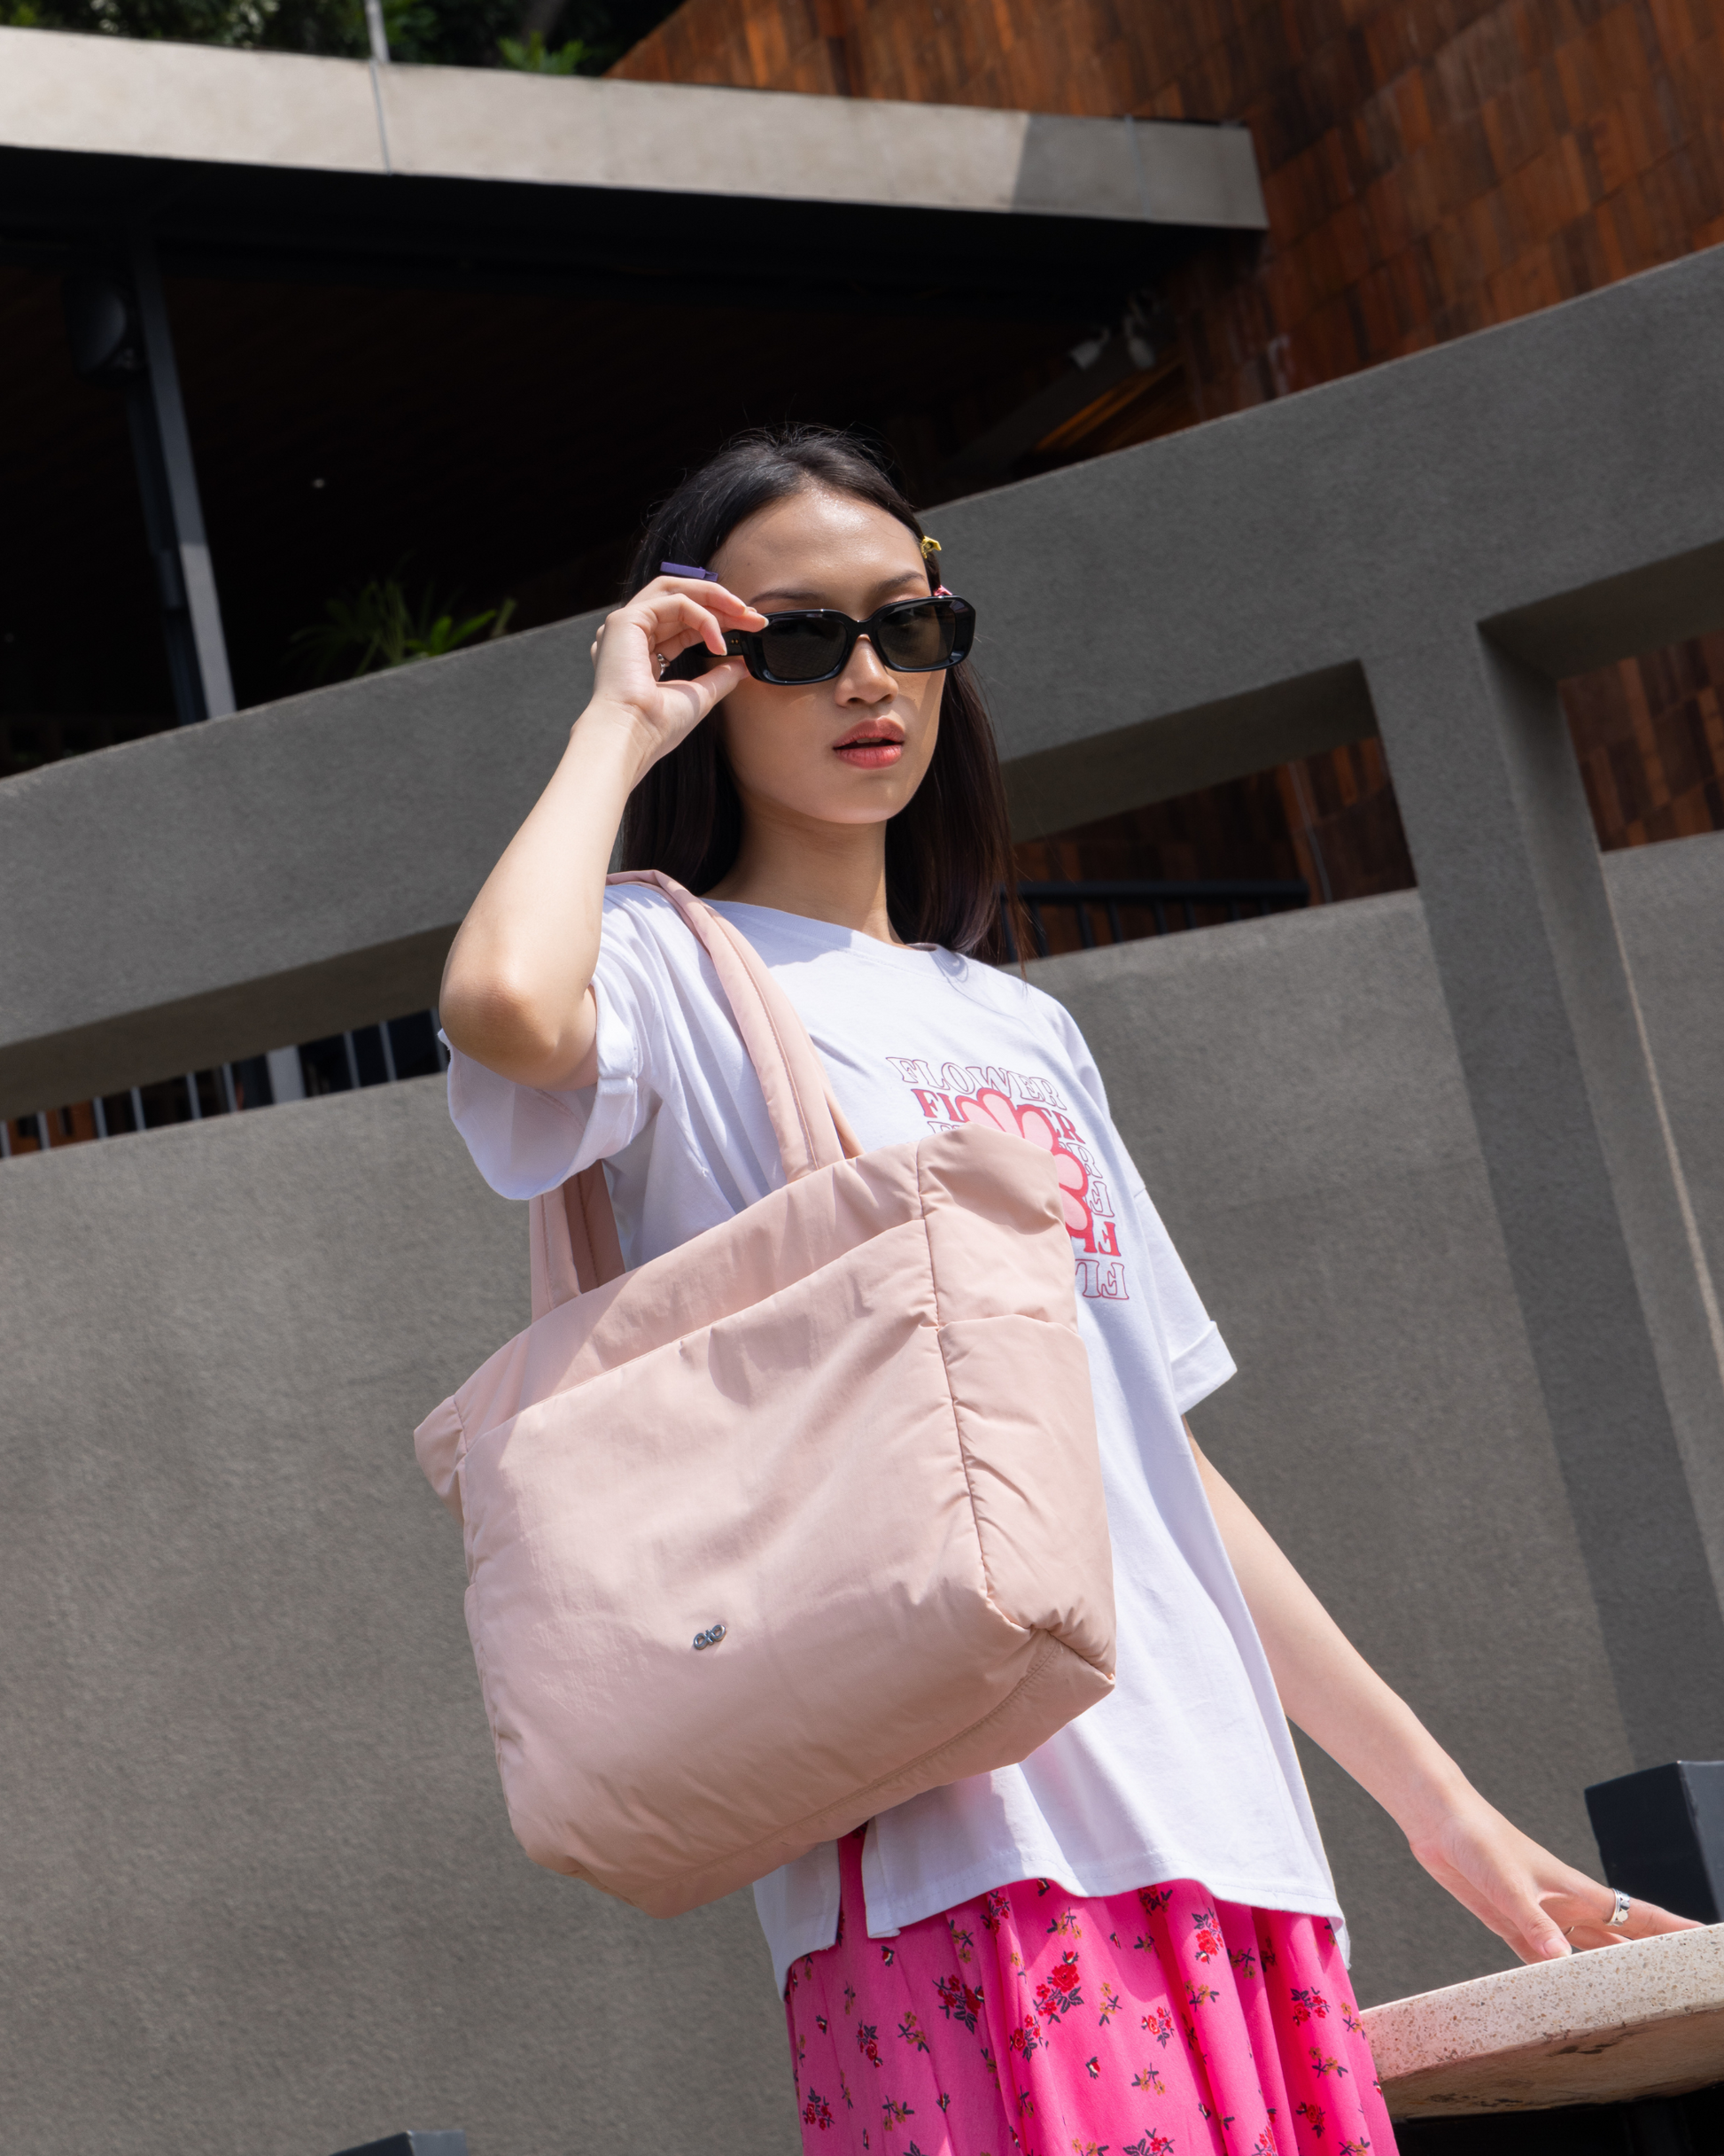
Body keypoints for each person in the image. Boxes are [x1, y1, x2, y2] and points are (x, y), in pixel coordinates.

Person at [438, 424, 1692, 2156]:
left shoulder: (1020, 1025)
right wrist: (611, 722)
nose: (866, 678)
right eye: (796, 640)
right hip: (957, 1845)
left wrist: (1443, 1811)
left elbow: (1150, 1464)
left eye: (909, 626)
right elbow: (505, 1009)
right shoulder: (663, 966)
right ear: (706, 667)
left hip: (1224, 1827)